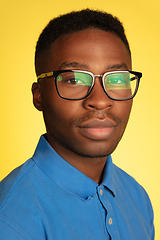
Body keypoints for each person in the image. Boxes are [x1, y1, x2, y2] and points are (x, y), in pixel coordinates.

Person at [0, 9, 154, 240]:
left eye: (117, 79)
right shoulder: (11, 219)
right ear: (39, 95)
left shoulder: (137, 196)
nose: (100, 100)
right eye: (74, 79)